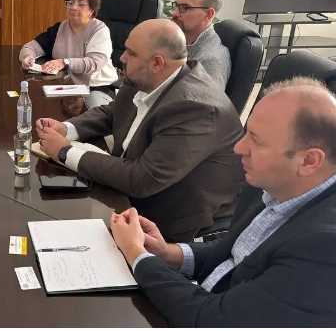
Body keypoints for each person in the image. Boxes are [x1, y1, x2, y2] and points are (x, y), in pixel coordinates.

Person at [110, 77, 336, 327]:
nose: (239, 148)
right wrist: (166, 253)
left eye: (256, 140)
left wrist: (136, 253)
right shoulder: (275, 182)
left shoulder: (324, 250)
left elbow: (212, 319)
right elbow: (241, 254)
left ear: (308, 161)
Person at [36, 19, 243, 242]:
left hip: (170, 218)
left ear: (157, 63)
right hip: (129, 188)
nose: (122, 58)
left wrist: (65, 152)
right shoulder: (145, 76)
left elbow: (141, 179)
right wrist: (68, 128)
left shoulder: (195, 108)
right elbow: (113, 112)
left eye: (130, 53)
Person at [18, 0, 119, 108]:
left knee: (94, 115)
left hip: (97, 87)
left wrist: (64, 62)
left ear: (91, 10)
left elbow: (94, 63)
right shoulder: (59, 29)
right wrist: (27, 57)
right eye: (70, 3)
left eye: (81, 4)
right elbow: (31, 46)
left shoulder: (99, 30)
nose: (74, 7)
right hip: (69, 85)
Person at [170, 0, 231, 88]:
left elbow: (206, 98)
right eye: (176, 5)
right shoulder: (178, 40)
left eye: (185, 7)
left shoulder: (211, 61)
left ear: (208, 14)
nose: (174, 13)